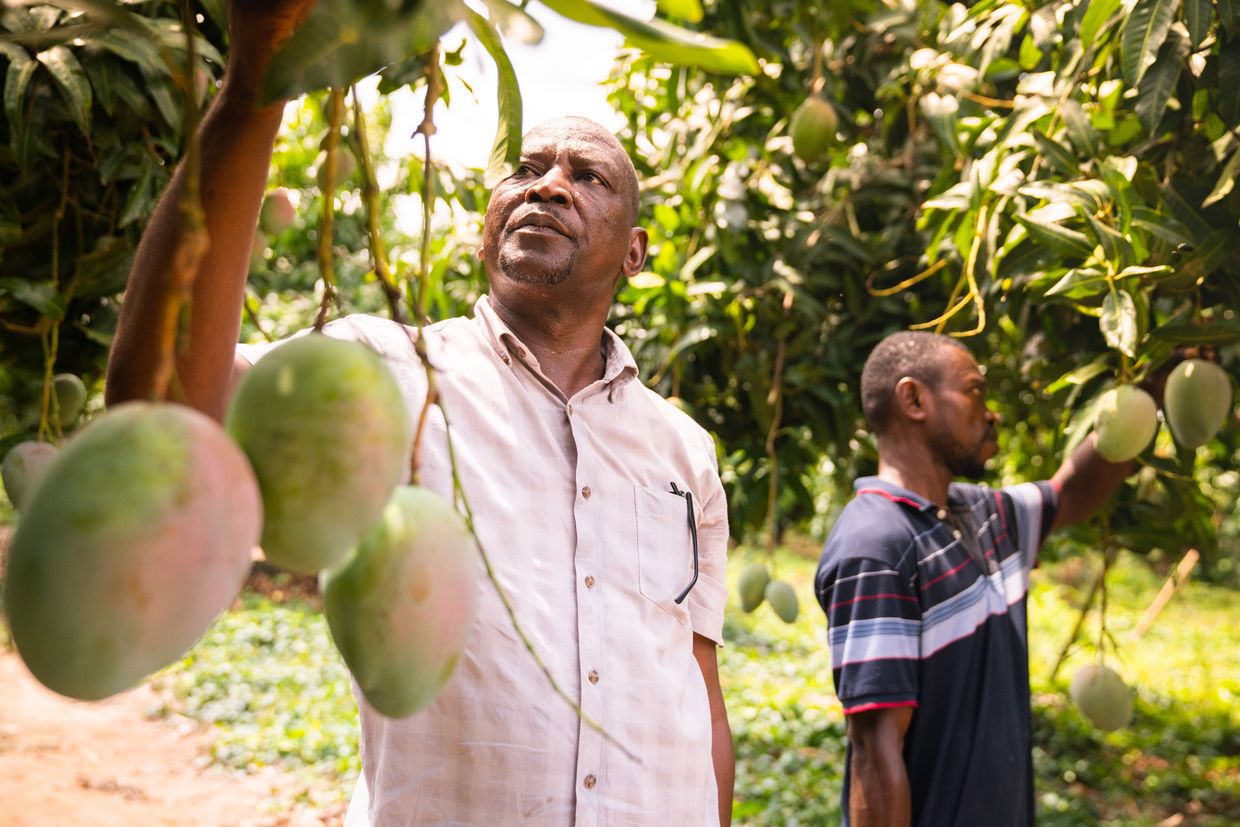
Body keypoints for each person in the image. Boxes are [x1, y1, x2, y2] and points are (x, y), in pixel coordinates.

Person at [105, 2, 734, 824]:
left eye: (588, 177)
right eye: (527, 169)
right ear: (483, 230)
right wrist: (252, 90)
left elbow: (696, 688)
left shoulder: (683, 448)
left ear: (638, 252)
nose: (549, 183)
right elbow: (160, 407)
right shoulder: (379, 370)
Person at [813, 330, 1141, 827]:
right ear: (914, 399)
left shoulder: (982, 513)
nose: (992, 412)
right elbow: (875, 756)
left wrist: (1148, 390)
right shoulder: (877, 545)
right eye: (974, 390)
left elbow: (1071, 494)